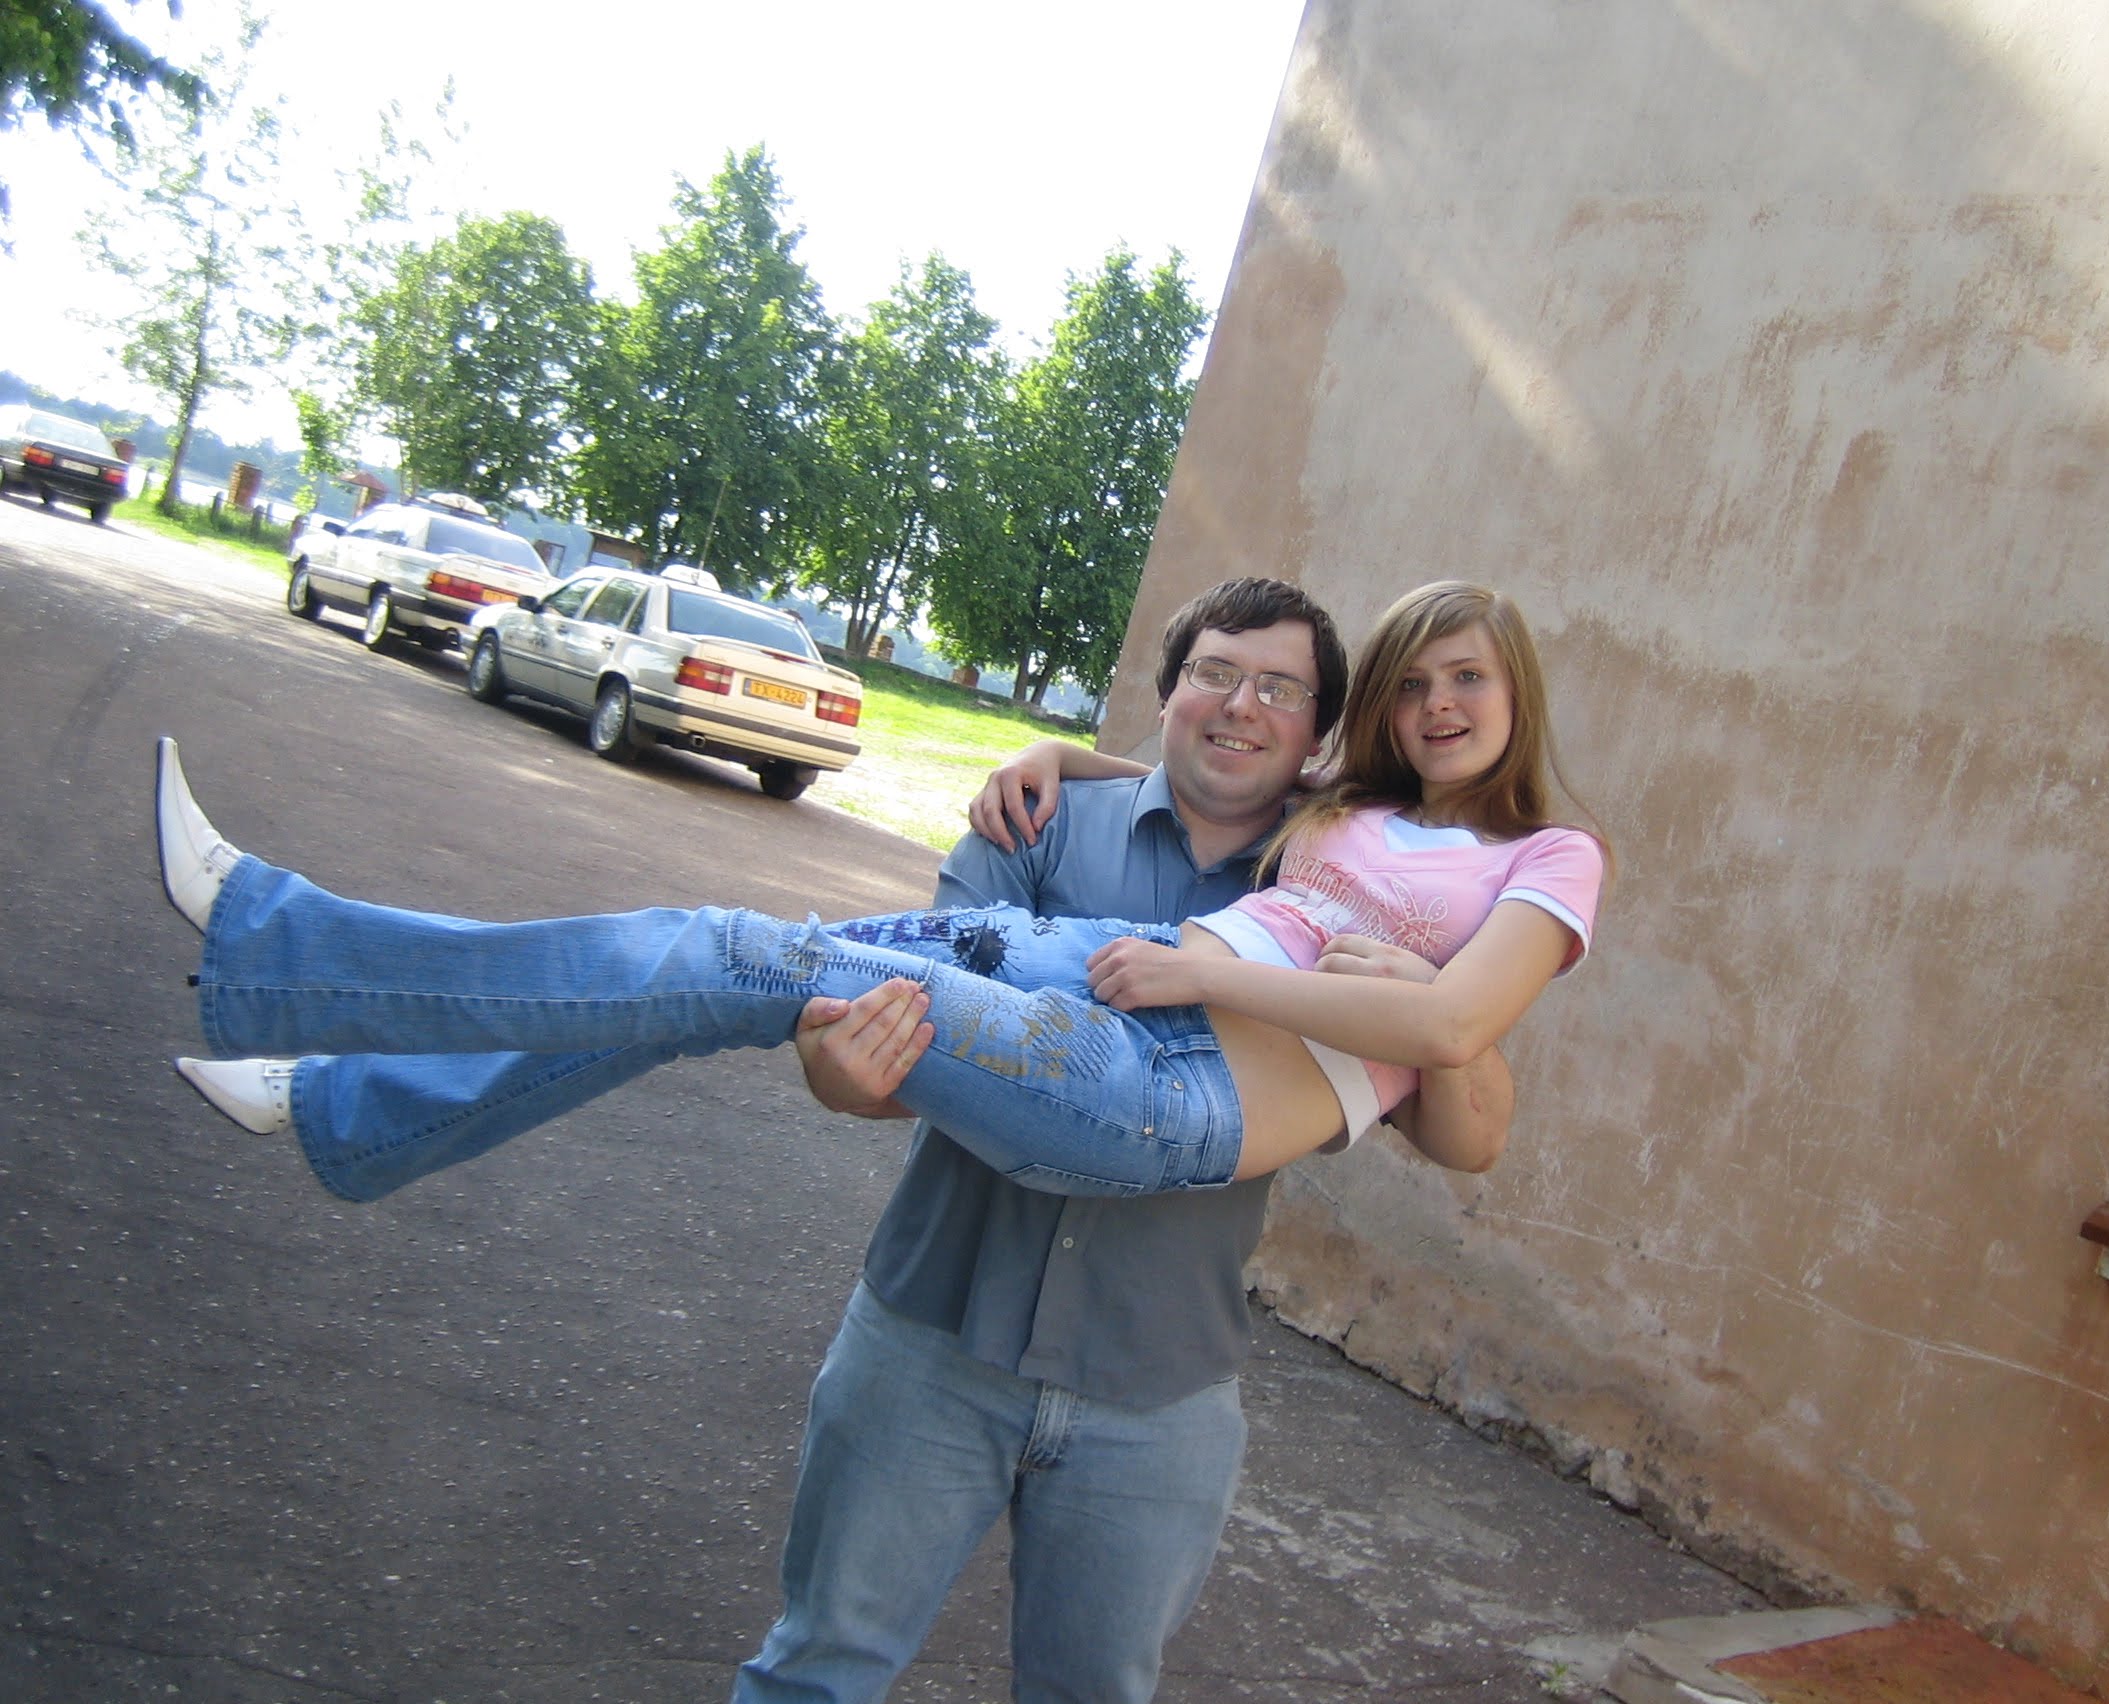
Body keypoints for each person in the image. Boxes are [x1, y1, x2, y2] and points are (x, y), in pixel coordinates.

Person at [161, 578, 1603, 1700]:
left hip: (1155, 1318)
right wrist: (1050, 760)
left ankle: (301, 1002)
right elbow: (860, 1066)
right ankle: (323, 1040)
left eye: (1285, 690)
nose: (1246, 708)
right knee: (741, 956)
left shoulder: (1451, 853)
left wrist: (1267, 982)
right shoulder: (1125, 819)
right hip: (943, 1315)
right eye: (1217, 677)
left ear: (1319, 728)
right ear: (1172, 695)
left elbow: (1464, 1089)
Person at [160, 585, 1601, 1203]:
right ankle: (345, 1099)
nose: (1439, 704)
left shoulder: (1551, 859)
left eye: (1467, 678)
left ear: (1515, 694)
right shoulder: (1344, 814)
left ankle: (278, 949)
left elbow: (1457, 1038)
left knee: (735, 959)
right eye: (1413, 683)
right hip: (1108, 965)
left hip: (1168, 1082)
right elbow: (1221, 751)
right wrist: (1062, 753)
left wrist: (1212, 974)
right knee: (730, 957)